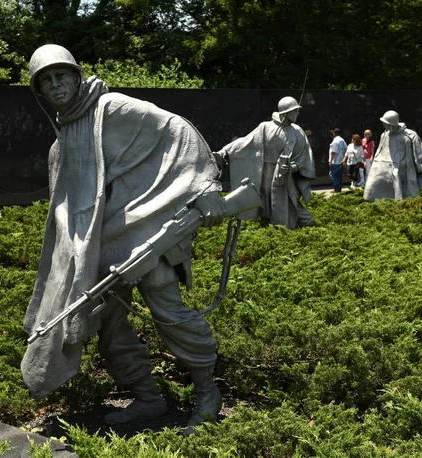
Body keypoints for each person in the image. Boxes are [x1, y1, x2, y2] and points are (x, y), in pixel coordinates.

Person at [20, 44, 226, 434]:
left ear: (77, 75)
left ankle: (207, 393)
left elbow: (176, 128)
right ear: (40, 91)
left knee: (171, 315)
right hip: (99, 248)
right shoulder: (60, 144)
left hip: (146, 234)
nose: (56, 84)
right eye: (46, 80)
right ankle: (148, 397)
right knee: (110, 330)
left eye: (61, 74)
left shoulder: (111, 107)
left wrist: (205, 184)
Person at [213, 96, 316, 228]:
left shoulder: (297, 132)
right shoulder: (265, 127)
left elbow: (304, 157)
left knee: (291, 202)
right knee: (267, 199)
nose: (297, 114)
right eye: (294, 111)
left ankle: (300, 224)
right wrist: (224, 152)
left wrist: (292, 167)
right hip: (266, 170)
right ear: (285, 112)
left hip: (285, 175)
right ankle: (269, 225)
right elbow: (245, 142)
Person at [363, 110, 422, 201]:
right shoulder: (384, 135)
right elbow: (379, 151)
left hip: (403, 165)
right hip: (384, 164)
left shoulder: (410, 135)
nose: (384, 125)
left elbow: (418, 154)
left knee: (397, 172)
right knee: (374, 174)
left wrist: (420, 168)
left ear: (391, 124)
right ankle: (371, 199)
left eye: (385, 123)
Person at [328, 128, 347, 193]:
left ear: (334, 133)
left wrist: (331, 160)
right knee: (339, 176)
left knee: (332, 175)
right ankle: (338, 189)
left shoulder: (335, 141)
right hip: (340, 160)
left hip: (335, 161)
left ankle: (336, 188)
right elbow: (345, 149)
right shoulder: (342, 140)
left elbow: (333, 152)